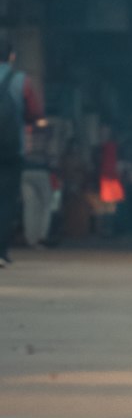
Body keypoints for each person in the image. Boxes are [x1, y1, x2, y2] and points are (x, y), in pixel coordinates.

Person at [0, 35, 43, 265]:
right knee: (6, 200)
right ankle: (1, 252)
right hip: (10, 150)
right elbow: (34, 113)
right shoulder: (21, 81)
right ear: (12, 56)